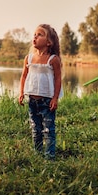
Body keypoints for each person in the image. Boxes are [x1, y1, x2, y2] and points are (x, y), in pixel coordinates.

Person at [18, 24, 63, 159]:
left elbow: (58, 79)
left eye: (40, 35)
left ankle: (49, 156)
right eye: (34, 34)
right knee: (35, 129)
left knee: (49, 129)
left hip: (47, 100)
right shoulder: (29, 58)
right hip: (32, 99)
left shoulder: (53, 59)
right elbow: (24, 76)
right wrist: (21, 93)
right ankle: (37, 153)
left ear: (49, 42)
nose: (35, 37)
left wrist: (55, 98)